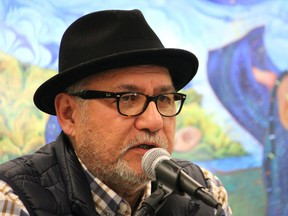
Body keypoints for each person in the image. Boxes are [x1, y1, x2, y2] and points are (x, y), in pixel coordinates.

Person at [0, 9, 232, 216]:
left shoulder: (205, 192)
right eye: (128, 99)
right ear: (69, 114)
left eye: (163, 99)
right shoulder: (14, 199)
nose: (154, 121)